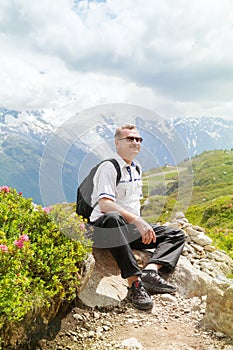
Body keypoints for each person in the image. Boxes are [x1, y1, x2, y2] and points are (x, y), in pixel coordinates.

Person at [89, 124, 185, 310]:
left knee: (176, 235)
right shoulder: (109, 167)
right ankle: (135, 284)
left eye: (138, 139)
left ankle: (150, 272)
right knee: (113, 218)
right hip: (104, 229)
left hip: (128, 229)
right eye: (130, 139)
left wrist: (140, 225)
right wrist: (138, 221)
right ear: (117, 144)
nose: (136, 142)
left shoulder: (136, 168)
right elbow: (105, 204)